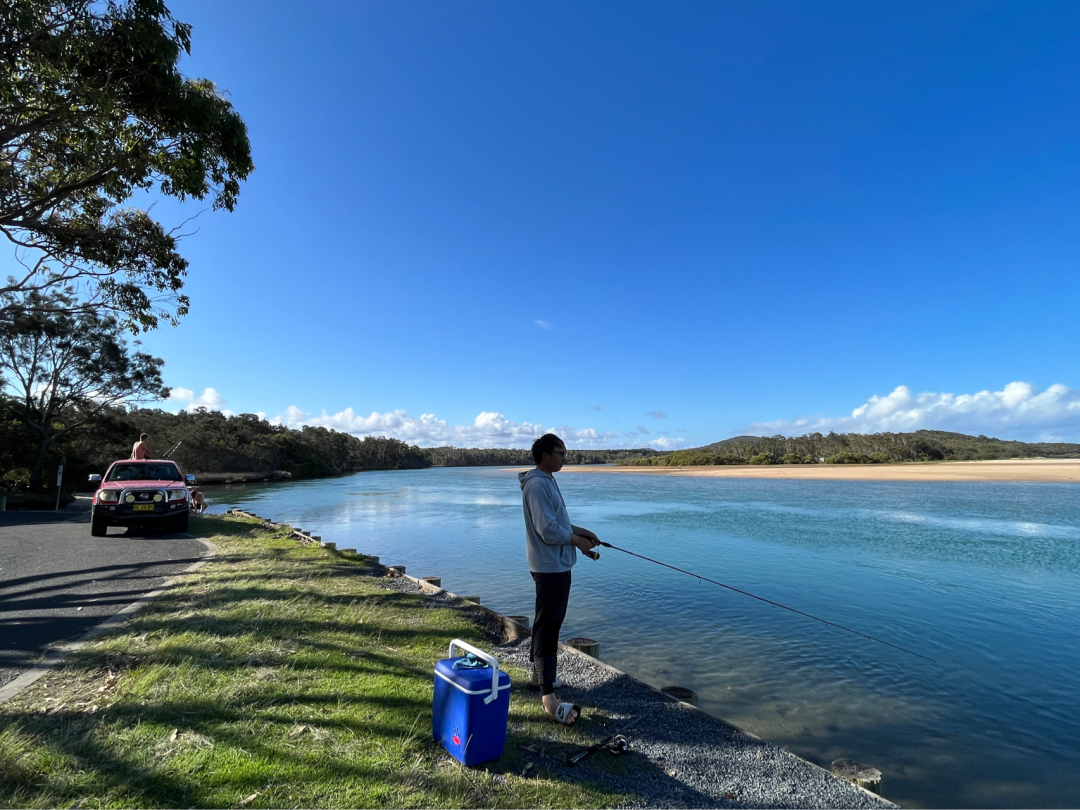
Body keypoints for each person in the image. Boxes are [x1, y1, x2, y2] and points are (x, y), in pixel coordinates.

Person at [518, 433, 601, 726]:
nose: (565, 458)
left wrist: (583, 532)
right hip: (548, 567)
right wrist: (576, 541)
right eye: (561, 453)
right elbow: (548, 531)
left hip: (554, 565)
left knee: (547, 622)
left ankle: (536, 678)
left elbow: (558, 522)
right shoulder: (538, 484)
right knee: (548, 626)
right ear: (544, 455)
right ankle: (548, 697)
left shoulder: (545, 481)